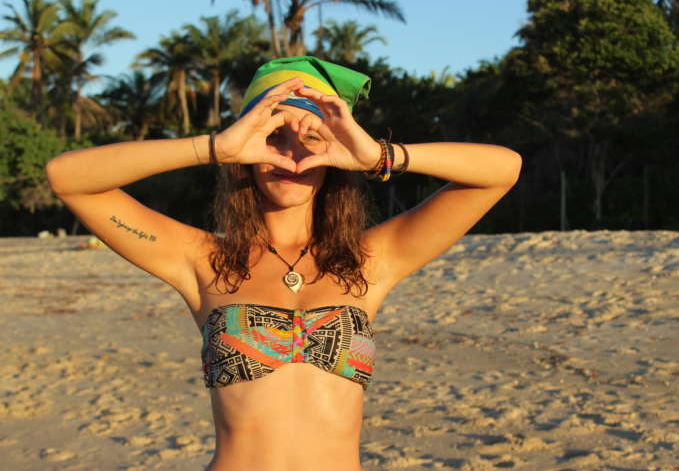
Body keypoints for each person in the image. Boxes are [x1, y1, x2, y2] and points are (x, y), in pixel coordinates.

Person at [46, 56, 522, 471]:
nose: (292, 155)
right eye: (274, 136)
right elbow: (66, 177)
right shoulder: (203, 261)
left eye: (311, 138)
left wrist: (376, 154)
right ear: (247, 150)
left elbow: (502, 171)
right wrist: (217, 147)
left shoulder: (369, 261)